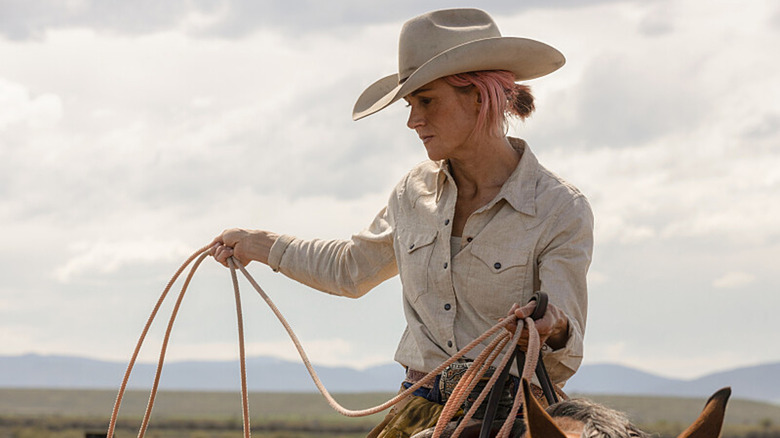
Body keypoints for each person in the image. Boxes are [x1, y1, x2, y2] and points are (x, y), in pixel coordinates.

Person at [211, 8, 594, 437]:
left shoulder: (560, 209)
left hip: (513, 420)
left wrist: (551, 329)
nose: (413, 120)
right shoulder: (413, 193)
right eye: (411, 104)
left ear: (480, 97)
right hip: (419, 407)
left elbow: (565, 348)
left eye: (426, 101)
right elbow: (351, 269)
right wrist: (260, 245)